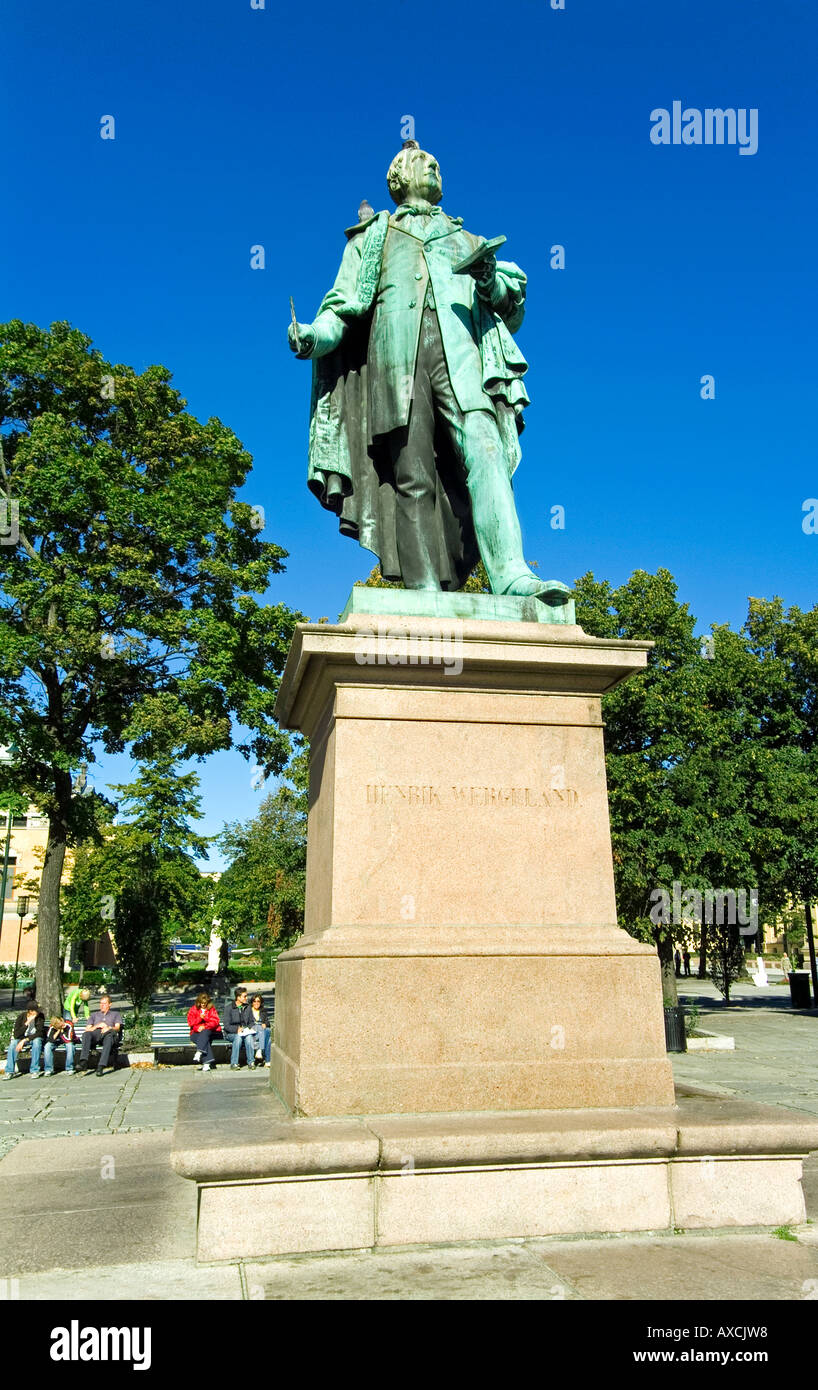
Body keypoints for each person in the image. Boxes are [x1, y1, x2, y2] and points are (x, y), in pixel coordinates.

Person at [288, 140, 571, 603]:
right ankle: (420, 589)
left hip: (465, 367)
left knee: (487, 455)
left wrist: (489, 278)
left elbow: (508, 304)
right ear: (399, 178)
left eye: (437, 164)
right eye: (425, 163)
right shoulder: (373, 237)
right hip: (397, 367)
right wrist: (311, 337)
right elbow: (341, 309)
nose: (435, 168)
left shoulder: (467, 239)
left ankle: (513, 576)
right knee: (411, 475)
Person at [77, 994, 123, 1077]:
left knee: (109, 1037)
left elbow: (117, 1028)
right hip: (96, 1034)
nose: (102, 1005)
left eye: (104, 1003)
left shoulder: (115, 1014)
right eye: (101, 1003)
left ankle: (101, 1066)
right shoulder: (94, 1015)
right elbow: (87, 1029)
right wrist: (97, 1025)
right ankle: (83, 1061)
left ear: (110, 1004)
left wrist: (108, 1027)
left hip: (110, 1034)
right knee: (86, 1034)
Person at [3, 1004, 45, 1079]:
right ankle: (9, 1071)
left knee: (37, 1042)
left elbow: (39, 1033)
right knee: (13, 1044)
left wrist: (25, 1040)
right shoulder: (21, 1016)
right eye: (36, 1011)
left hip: (33, 1038)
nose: (38, 1012)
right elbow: (16, 1034)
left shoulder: (40, 1017)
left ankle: (34, 1070)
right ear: (30, 1011)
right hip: (21, 1037)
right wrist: (27, 1023)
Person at [187, 992, 221, 1072]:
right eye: (201, 1003)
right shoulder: (193, 1009)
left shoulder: (211, 1009)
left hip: (209, 1031)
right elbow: (190, 1022)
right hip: (195, 1033)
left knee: (205, 1032)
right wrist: (199, 1021)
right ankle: (206, 1064)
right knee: (205, 1041)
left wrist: (204, 1025)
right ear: (198, 1002)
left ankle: (199, 1051)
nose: (203, 1005)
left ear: (208, 1002)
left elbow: (215, 1022)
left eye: (205, 1003)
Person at [223, 986, 254, 1069]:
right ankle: (234, 1064)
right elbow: (226, 1025)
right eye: (244, 996)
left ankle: (251, 1062)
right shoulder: (229, 1008)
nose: (246, 998)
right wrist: (237, 1029)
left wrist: (249, 1028)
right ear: (238, 997)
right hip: (231, 1033)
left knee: (249, 1037)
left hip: (245, 1032)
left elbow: (251, 1021)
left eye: (246, 996)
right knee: (238, 1037)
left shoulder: (248, 1007)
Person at [248, 994, 271, 1067]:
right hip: (252, 1030)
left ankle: (259, 1051)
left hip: (261, 1032)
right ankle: (267, 1060)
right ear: (252, 1002)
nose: (256, 1003)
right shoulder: (248, 1010)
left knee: (267, 1032)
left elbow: (267, 1022)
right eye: (254, 1001)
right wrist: (257, 1026)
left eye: (258, 1001)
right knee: (266, 1036)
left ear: (261, 1002)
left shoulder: (263, 1011)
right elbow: (246, 1022)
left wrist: (265, 1024)